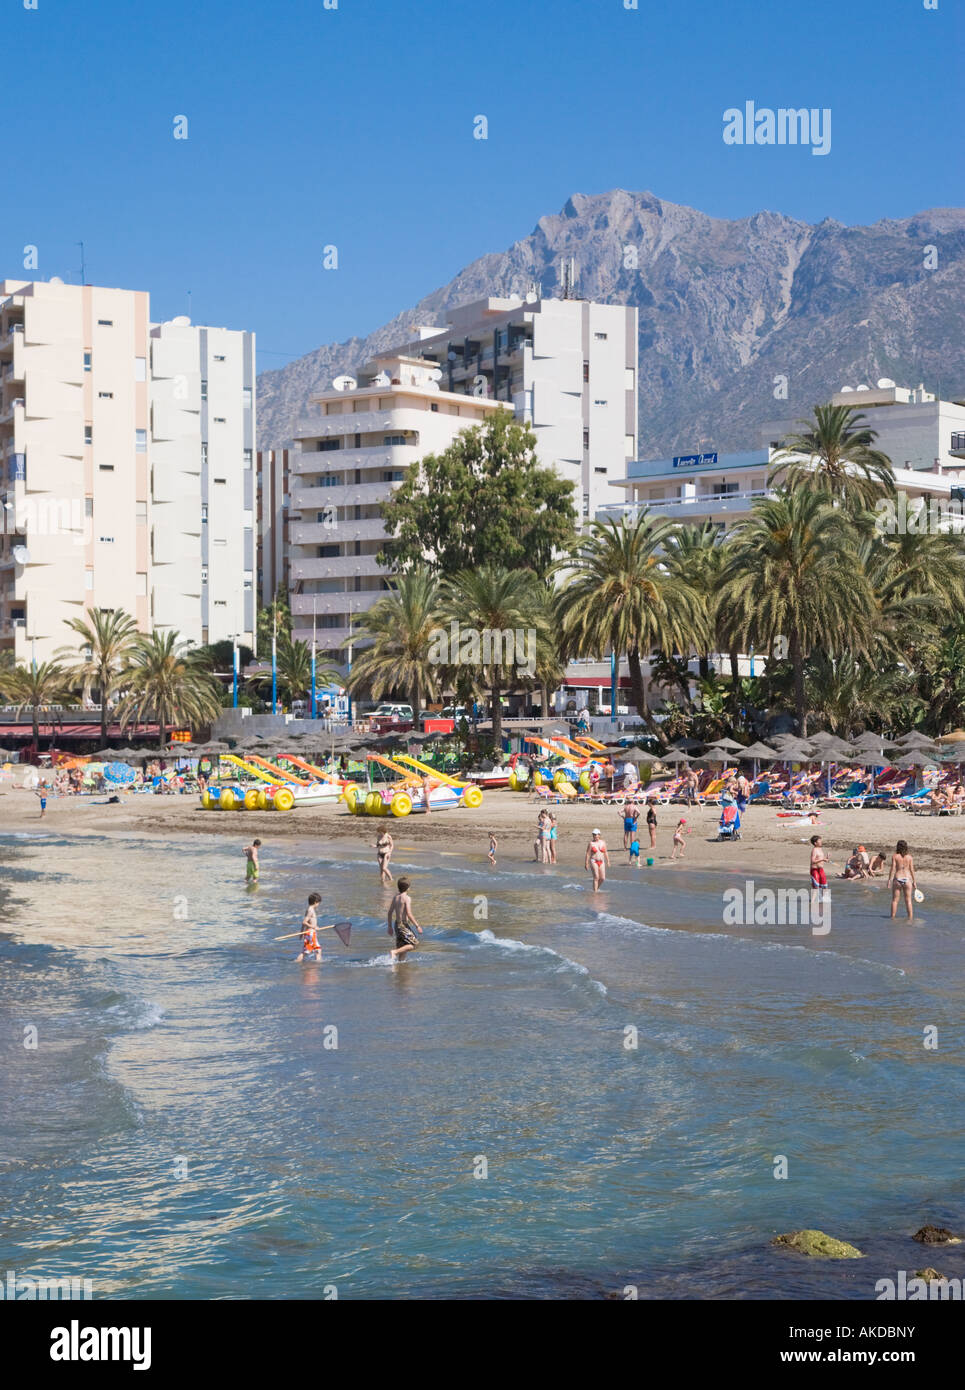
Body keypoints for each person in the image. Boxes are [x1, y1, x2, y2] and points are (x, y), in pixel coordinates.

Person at [388, 877, 422, 961]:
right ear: (408, 888)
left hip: (396, 924)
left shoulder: (395, 898)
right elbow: (409, 914)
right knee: (414, 944)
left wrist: (389, 927)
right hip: (403, 925)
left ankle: (399, 968)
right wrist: (417, 926)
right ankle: (394, 952)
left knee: (403, 947)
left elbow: (389, 913)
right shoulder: (407, 898)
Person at [888, 840, 918, 921]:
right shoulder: (909, 857)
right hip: (907, 879)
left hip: (897, 879)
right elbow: (912, 870)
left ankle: (892, 918)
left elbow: (893, 868)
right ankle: (910, 919)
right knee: (908, 901)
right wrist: (914, 881)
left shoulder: (895, 856)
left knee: (895, 900)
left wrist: (889, 880)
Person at [296, 892, 322, 963]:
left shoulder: (309, 909)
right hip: (310, 933)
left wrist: (301, 933)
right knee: (317, 950)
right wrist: (313, 926)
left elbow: (305, 922)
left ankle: (297, 962)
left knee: (309, 951)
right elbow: (304, 922)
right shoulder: (310, 910)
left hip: (310, 933)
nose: (318, 905)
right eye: (318, 903)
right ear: (315, 902)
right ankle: (318, 964)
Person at [809, 834, 832, 908]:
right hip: (815, 870)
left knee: (825, 886)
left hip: (821, 870)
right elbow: (813, 861)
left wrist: (826, 858)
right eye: (819, 841)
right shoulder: (814, 850)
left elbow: (821, 860)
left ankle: (825, 901)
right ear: (815, 843)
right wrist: (823, 859)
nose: (821, 842)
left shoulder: (820, 849)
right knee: (816, 888)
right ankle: (812, 903)